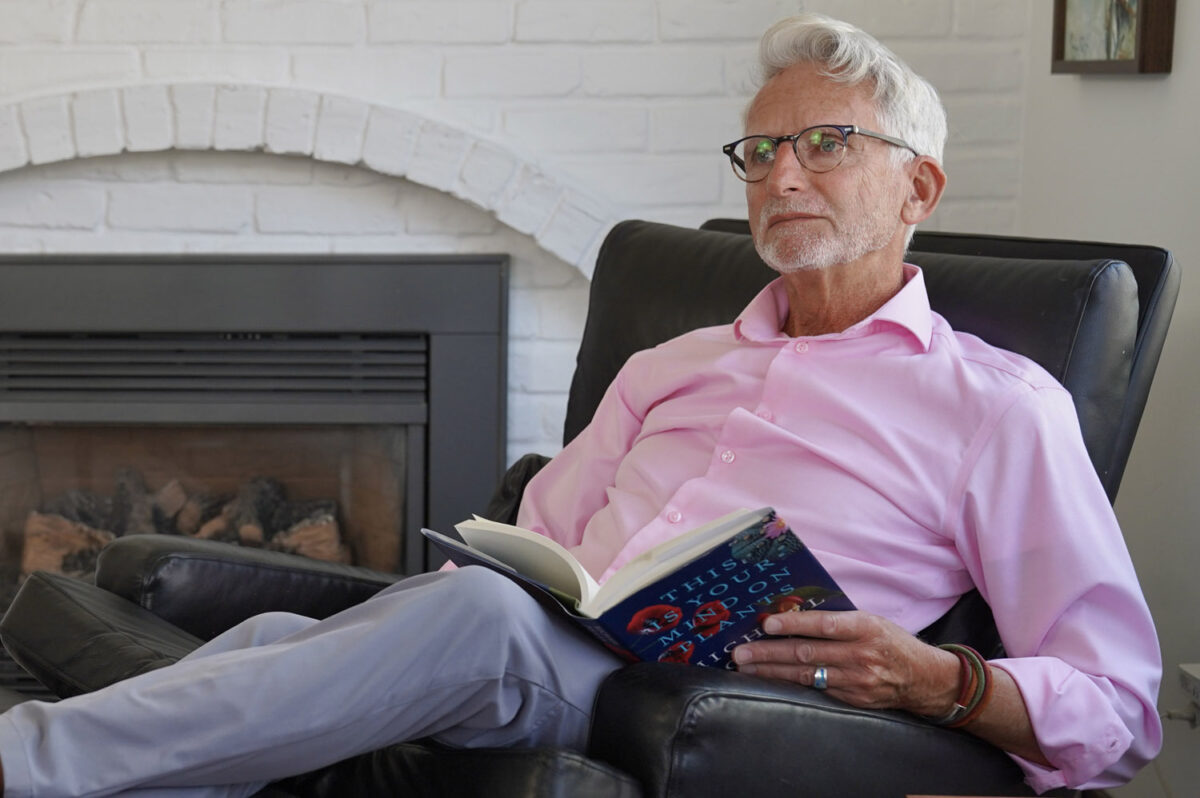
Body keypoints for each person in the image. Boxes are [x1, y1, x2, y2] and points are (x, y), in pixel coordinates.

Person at [0, 12, 1161, 796]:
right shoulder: (671, 363)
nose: (782, 175)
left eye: (824, 144)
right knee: (288, 640)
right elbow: (535, 547)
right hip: (550, 643)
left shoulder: (998, 408)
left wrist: (943, 680)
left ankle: (24, 762)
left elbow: (1122, 705)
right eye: (758, 152)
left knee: (470, 624)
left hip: (713, 703)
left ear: (920, 184)